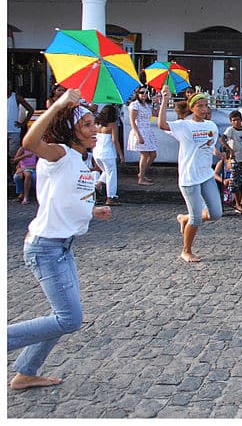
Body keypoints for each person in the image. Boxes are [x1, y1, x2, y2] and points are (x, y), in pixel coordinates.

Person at [7, 88, 113, 390]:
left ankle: (26, 371)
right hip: (45, 248)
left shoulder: (80, 158)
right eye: (88, 125)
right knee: (69, 319)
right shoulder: (61, 153)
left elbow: (66, 198)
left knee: (62, 314)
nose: (96, 130)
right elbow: (29, 141)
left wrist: (93, 211)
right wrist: (60, 104)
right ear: (71, 131)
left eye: (95, 124)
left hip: (63, 248)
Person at [157, 87, 223, 262]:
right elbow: (162, 124)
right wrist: (165, 100)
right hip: (189, 178)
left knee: (216, 213)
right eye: (199, 106)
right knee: (196, 219)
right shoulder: (184, 125)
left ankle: (184, 218)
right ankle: (186, 250)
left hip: (206, 175)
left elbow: (210, 145)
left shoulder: (212, 126)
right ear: (192, 108)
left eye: (206, 106)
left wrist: (218, 153)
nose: (204, 109)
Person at [220, 110, 242, 215]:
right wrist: (230, 150)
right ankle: (237, 204)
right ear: (231, 121)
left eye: (238, 120)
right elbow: (222, 139)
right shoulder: (230, 130)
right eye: (234, 120)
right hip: (235, 161)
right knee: (235, 183)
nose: (236, 122)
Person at [93, 105, 124, 206]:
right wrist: (120, 154)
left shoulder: (97, 124)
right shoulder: (112, 124)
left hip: (97, 151)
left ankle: (97, 185)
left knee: (106, 171)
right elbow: (115, 140)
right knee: (111, 174)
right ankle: (111, 197)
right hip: (107, 152)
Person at [127, 87, 158, 185]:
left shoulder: (147, 105)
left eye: (146, 92)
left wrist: (158, 102)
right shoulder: (135, 105)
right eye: (141, 92)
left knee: (153, 155)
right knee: (144, 155)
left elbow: (156, 114)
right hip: (140, 130)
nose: (144, 94)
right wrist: (138, 135)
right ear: (137, 94)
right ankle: (141, 178)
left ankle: (142, 174)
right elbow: (132, 121)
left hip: (148, 131)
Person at [7, 87, 35, 161]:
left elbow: (30, 110)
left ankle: (13, 171)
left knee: (13, 155)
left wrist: (23, 123)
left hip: (13, 130)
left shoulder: (16, 97)